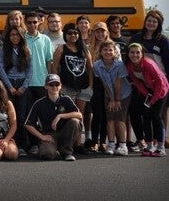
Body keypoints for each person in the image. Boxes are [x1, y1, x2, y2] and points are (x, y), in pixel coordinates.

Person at [50, 22, 93, 150]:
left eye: (75, 33)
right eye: (70, 33)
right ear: (65, 35)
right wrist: (58, 85)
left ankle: (78, 142)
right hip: (67, 86)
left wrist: (90, 86)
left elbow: (91, 69)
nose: (73, 35)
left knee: (80, 114)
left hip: (83, 87)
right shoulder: (61, 48)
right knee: (69, 114)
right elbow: (55, 67)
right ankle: (68, 142)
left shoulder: (84, 49)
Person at [25, 74, 83, 161]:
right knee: (47, 154)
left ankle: (66, 152)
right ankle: (55, 151)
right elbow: (28, 124)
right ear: (46, 86)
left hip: (65, 133)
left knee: (75, 121)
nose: (54, 87)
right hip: (49, 134)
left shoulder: (66, 99)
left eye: (57, 84)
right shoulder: (39, 103)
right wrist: (42, 137)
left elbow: (79, 115)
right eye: (51, 85)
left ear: (61, 86)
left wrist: (60, 116)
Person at [126, 43, 169, 157]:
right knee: (146, 116)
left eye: (137, 52)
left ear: (142, 53)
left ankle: (160, 147)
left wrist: (153, 100)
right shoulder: (130, 66)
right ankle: (149, 146)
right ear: (128, 54)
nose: (135, 55)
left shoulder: (149, 64)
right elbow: (136, 81)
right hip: (148, 91)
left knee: (156, 116)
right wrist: (147, 95)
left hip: (161, 91)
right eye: (132, 52)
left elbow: (160, 82)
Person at [0, 25, 32, 155]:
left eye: (17, 35)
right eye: (12, 35)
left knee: (21, 116)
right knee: (9, 115)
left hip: (22, 84)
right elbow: (0, 69)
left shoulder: (26, 50)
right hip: (8, 84)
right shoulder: (3, 50)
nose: (14, 37)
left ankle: (22, 144)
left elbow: (30, 70)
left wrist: (24, 87)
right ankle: (10, 141)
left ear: (21, 36)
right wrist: (9, 87)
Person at [93, 40, 132, 156]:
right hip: (109, 94)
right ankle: (111, 145)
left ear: (115, 52)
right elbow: (104, 83)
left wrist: (117, 100)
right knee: (110, 119)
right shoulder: (97, 65)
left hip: (123, 95)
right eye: (105, 50)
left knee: (119, 119)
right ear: (100, 52)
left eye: (110, 50)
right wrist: (111, 99)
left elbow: (118, 83)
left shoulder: (119, 64)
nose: (108, 52)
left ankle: (122, 145)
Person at [88, 21, 110, 152]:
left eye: (102, 31)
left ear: (106, 32)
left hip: (109, 83)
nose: (100, 33)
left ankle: (103, 141)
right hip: (96, 83)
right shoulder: (90, 47)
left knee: (106, 114)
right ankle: (94, 141)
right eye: (97, 31)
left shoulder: (112, 46)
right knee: (97, 114)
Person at [24, 11, 54, 105]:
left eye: (34, 22)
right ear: (25, 23)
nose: (32, 25)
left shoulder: (45, 39)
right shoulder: (21, 39)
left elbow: (49, 61)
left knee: (43, 113)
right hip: (25, 83)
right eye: (29, 22)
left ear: (39, 22)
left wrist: (49, 79)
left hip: (42, 82)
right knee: (28, 113)